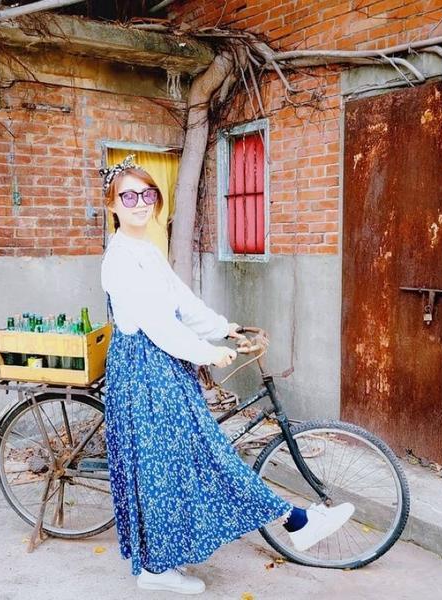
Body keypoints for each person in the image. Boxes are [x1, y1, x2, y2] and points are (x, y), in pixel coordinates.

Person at [99, 155, 355, 595]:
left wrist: (223, 328)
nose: (140, 203)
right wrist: (207, 352)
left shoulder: (146, 250)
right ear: (114, 206)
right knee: (188, 461)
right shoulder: (120, 258)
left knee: (180, 464)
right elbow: (157, 324)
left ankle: (160, 565)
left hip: (162, 366)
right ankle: (291, 523)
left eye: (147, 194)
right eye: (129, 196)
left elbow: (180, 301)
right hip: (144, 371)